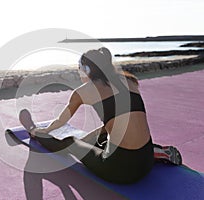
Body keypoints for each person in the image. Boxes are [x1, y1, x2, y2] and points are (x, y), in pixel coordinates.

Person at [19, 48, 182, 184]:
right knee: (105, 136)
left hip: (121, 172)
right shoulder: (129, 81)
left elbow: (61, 121)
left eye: (79, 67)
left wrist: (45, 131)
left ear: (87, 69)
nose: (79, 71)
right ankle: (156, 152)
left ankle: (34, 131)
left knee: (71, 143)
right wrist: (90, 139)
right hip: (145, 161)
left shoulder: (83, 91)